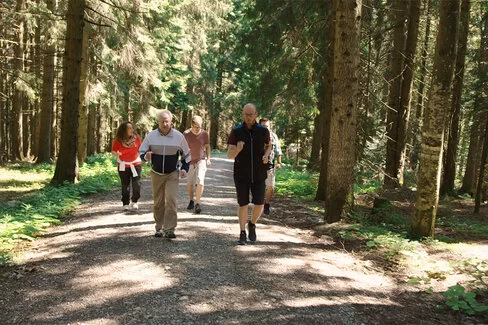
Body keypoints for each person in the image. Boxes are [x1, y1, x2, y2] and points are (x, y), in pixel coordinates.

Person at [139, 110, 191, 239]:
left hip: (172, 173)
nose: (165, 124)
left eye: (167, 121)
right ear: (158, 122)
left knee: (171, 200)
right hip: (156, 173)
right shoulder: (151, 136)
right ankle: (159, 227)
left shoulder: (179, 136)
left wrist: (184, 168)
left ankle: (169, 229)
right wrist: (146, 156)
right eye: (162, 121)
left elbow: (187, 155)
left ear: (171, 122)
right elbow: (141, 152)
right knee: (158, 201)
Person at [227, 103, 271, 245]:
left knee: (259, 204)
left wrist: (266, 155)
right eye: (246, 114)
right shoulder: (236, 131)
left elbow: (269, 146)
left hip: (259, 173)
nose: (248, 117)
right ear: (242, 114)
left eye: (251, 114)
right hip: (241, 174)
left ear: (256, 114)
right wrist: (238, 150)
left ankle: (252, 224)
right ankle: (242, 232)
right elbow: (229, 154)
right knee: (243, 204)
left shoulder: (263, 131)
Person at [112, 121, 142, 211]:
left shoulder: (136, 139)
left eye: (132, 128)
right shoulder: (118, 140)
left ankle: (135, 201)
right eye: (129, 128)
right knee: (125, 185)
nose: (131, 130)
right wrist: (116, 154)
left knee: (136, 184)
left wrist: (145, 158)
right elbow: (113, 151)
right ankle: (125, 203)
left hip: (135, 163)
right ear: (124, 130)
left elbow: (141, 149)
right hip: (123, 164)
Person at [184, 115, 211, 214]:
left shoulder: (204, 134)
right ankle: (191, 200)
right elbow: (182, 147)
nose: (197, 129)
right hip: (189, 161)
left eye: (199, 127)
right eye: (196, 127)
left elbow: (207, 147)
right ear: (192, 125)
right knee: (190, 183)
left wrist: (208, 158)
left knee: (200, 180)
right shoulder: (186, 134)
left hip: (201, 160)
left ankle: (197, 203)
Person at [259, 118, 283, 215]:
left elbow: (278, 150)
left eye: (267, 126)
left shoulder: (273, 136)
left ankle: (267, 204)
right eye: (263, 126)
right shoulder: (255, 135)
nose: (265, 128)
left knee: (271, 187)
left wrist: (279, 162)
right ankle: (259, 204)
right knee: (259, 187)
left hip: (270, 165)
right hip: (257, 166)